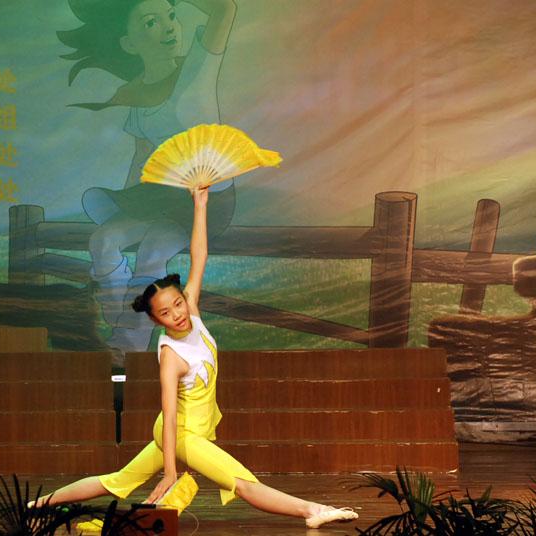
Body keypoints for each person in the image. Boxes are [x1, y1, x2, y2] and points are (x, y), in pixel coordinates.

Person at [32, 187, 358, 529]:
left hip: (189, 429)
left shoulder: (193, 312)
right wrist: (170, 472)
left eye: (178, 304)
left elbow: (198, 255)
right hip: (181, 434)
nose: (177, 314)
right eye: (166, 313)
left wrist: (200, 205)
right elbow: (170, 415)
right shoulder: (171, 355)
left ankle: (38, 504)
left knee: (118, 479)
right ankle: (311, 511)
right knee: (241, 482)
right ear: (155, 320)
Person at [58, 0, 237, 355]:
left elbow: (224, 9)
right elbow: (142, 156)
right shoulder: (136, 92)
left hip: (203, 199)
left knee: (153, 250)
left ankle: (127, 347)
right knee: (103, 240)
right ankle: (122, 329)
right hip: (159, 194)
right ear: (128, 43)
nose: (170, 27)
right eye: (152, 22)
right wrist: (128, 207)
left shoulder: (198, 67)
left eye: (171, 16)